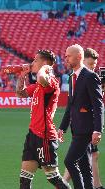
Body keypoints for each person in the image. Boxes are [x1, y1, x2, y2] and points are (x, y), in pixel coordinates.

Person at [16, 50, 71, 189]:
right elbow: (21, 94)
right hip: (33, 134)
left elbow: (41, 78)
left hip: (45, 136)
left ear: (45, 63)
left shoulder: (51, 81)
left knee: (54, 178)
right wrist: (22, 76)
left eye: (35, 60)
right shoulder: (38, 85)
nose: (32, 63)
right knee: (24, 180)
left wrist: (45, 69)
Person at [58, 44, 104, 189]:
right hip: (76, 129)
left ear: (78, 57)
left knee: (69, 161)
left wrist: (98, 130)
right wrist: (62, 128)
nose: (65, 59)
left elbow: (98, 105)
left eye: (68, 56)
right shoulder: (72, 77)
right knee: (85, 169)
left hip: (86, 130)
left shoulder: (90, 77)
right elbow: (70, 105)